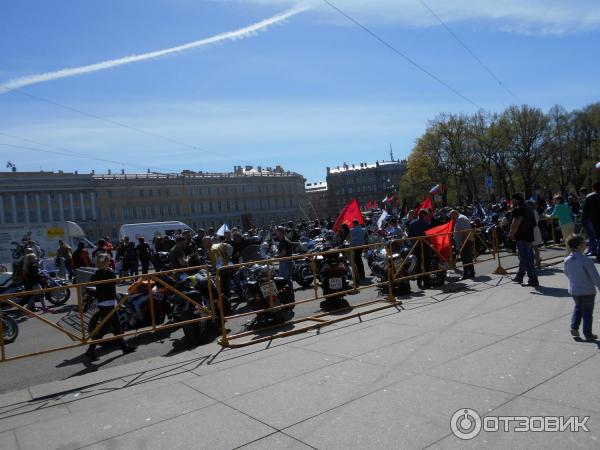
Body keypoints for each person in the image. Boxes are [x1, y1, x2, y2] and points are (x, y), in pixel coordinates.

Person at [84, 254, 136, 361]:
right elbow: (114, 280)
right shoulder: (108, 272)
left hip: (105, 302)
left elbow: (94, 280)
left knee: (116, 327)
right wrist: (110, 270)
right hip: (108, 303)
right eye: (108, 261)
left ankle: (124, 347)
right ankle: (90, 350)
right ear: (104, 262)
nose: (109, 263)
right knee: (104, 329)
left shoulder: (97, 273)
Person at [564, 234, 600, 341]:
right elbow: (595, 277)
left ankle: (574, 327)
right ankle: (588, 334)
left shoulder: (567, 260)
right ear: (578, 246)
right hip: (587, 290)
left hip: (575, 290)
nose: (586, 245)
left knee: (578, 308)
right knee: (588, 313)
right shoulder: (586, 260)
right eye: (584, 243)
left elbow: (566, 273)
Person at [508, 193, 539, 287]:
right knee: (526, 257)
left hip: (521, 237)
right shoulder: (528, 207)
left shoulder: (519, 209)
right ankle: (519, 276)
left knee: (526, 259)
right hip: (529, 236)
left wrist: (511, 233)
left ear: (517, 200)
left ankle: (532, 280)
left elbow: (516, 222)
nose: (512, 202)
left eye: (513, 200)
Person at [450, 210, 475, 280]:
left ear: (455, 214)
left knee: (466, 259)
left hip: (465, 242)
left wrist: (463, 243)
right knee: (467, 259)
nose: (452, 218)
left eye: (452, 216)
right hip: (465, 242)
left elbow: (465, 232)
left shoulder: (461, 219)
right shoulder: (460, 218)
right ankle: (470, 273)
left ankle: (467, 274)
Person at [582, 182, 600, 258]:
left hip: (593, 219)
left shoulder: (590, 197)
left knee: (595, 236)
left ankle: (596, 252)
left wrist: (584, 219)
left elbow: (585, 209)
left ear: (593, 188)